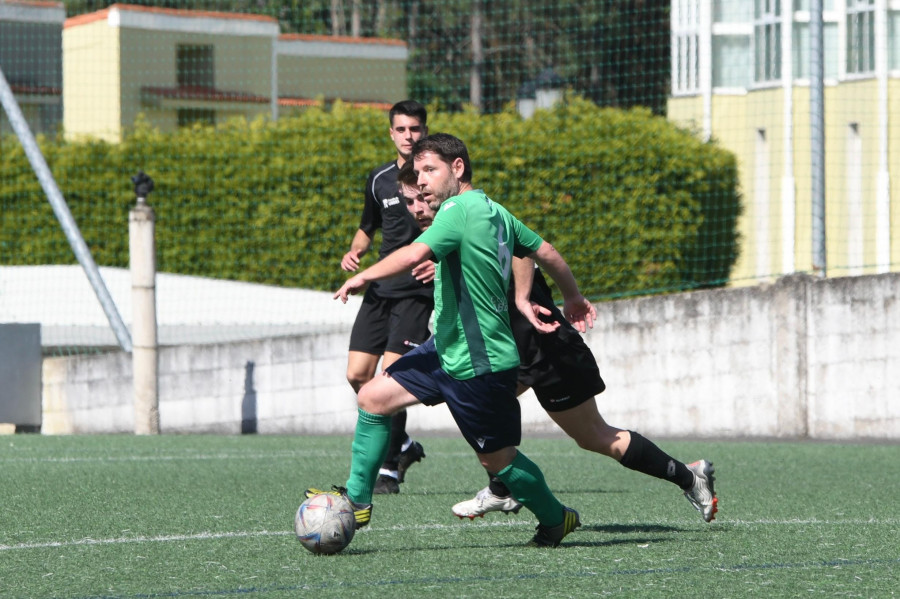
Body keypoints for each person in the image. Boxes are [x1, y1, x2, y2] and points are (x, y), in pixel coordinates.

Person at [312, 133, 595, 547]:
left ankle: (556, 518)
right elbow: (545, 251)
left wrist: (363, 275)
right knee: (372, 397)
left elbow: (412, 255)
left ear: (458, 168)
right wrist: (573, 296)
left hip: (480, 362)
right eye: (418, 171)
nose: (421, 180)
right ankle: (356, 501)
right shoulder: (495, 211)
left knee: (498, 460)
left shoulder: (459, 208)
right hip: (445, 349)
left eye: (430, 170)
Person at [396, 163, 718, 524]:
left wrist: (522, 298)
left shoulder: (476, 214)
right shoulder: (444, 233)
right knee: (482, 409)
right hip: (507, 353)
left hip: (545, 346)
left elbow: (528, 253)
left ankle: (689, 477)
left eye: (422, 196)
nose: (418, 207)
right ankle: (504, 489)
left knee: (595, 436)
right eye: (410, 201)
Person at [341, 100, 431, 495]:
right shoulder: (378, 180)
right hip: (379, 291)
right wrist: (355, 250)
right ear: (391, 133)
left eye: (415, 129)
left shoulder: (434, 179)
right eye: (402, 129)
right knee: (357, 376)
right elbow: (368, 226)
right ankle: (404, 445)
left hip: (415, 292)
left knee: (389, 381)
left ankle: (389, 467)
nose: (409, 136)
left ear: (424, 131)